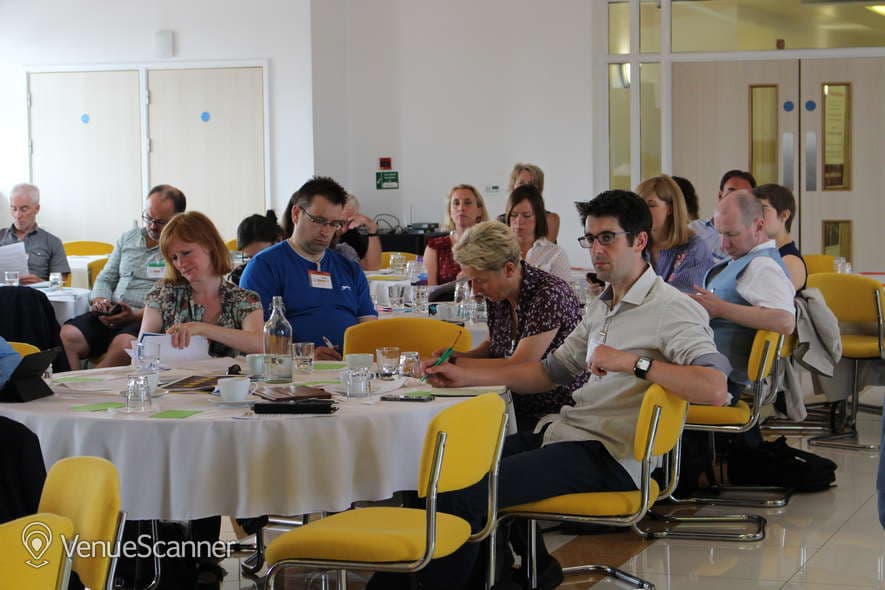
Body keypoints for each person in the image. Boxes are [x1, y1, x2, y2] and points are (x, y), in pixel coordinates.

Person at [373, 190, 730, 590]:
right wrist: (466, 374)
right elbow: (546, 373)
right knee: (442, 473)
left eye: (607, 238)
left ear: (640, 240)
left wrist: (634, 363)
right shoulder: (605, 304)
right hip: (566, 433)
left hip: (611, 454)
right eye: (590, 239)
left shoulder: (671, 308)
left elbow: (715, 388)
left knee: (467, 493)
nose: (596, 249)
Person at [445, 221, 586, 432]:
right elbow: (493, 346)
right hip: (508, 404)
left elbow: (520, 365)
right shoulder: (498, 293)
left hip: (553, 415)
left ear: (509, 269)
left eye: (480, 281)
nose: (474, 291)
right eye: (470, 281)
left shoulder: (549, 294)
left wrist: (456, 364)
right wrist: (456, 356)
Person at [240, 177, 376, 359]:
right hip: (291, 374)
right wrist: (305, 355)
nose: (326, 231)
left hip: (349, 370)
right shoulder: (264, 267)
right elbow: (255, 342)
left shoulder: (349, 268)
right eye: (318, 220)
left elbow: (368, 330)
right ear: (296, 214)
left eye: (334, 224)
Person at [60, 185, 186, 369]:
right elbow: (106, 277)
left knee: (126, 346)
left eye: (160, 222)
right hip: (111, 312)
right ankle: (71, 389)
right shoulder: (128, 238)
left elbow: (176, 298)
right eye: (148, 218)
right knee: (67, 335)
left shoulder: (181, 248)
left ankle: (89, 390)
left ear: (178, 219)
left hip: (146, 318)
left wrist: (134, 315)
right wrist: (100, 300)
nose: (151, 226)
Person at [690, 190, 795, 392]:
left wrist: (721, 309)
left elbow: (785, 321)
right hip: (710, 370)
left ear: (758, 226)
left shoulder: (762, 266)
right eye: (720, 233)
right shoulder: (744, 259)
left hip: (722, 380)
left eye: (731, 234)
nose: (723, 244)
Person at [139, 211, 264, 358]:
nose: (180, 264)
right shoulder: (163, 293)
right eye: (174, 257)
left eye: (186, 253)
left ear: (209, 245)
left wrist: (201, 329)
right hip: (173, 379)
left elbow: (260, 345)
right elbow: (142, 351)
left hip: (229, 380)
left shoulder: (244, 299)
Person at [635, 174, 713, 294]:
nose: (642, 211)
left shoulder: (695, 249)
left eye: (651, 205)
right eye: (639, 205)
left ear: (670, 209)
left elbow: (678, 301)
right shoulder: (633, 244)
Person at [0, 183, 69, 285]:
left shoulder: (52, 242)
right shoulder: (1, 237)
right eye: (14, 208)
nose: (17, 215)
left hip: (37, 297)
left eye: (24, 209)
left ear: (37, 209)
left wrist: (41, 283)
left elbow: (59, 283)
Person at [423, 184, 488, 286]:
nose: (461, 208)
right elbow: (430, 293)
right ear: (450, 211)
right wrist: (456, 284)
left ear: (479, 210)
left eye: (467, 203)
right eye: (456, 203)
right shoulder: (435, 247)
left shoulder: (490, 243)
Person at [505, 185, 571, 283]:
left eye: (526, 215)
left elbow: (565, 294)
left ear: (538, 217)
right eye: (514, 215)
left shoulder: (555, 253)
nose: (518, 221)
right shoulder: (499, 250)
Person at [689, 169, 756, 265]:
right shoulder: (693, 230)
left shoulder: (752, 240)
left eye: (742, 196)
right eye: (731, 192)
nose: (735, 200)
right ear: (720, 195)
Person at [753, 184, 807, 291]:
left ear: (784, 215)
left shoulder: (791, 262)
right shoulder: (760, 253)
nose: (755, 216)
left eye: (762, 209)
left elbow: (769, 305)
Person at [228, 210, 284, 285]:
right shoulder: (237, 278)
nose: (257, 265)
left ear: (278, 240)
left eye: (262, 257)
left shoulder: (294, 270)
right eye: (251, 259)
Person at [508, 163, 560, 243]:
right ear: (513, 186)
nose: (526, 187)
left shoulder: (550, 219)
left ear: (539, 188)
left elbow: (545, 252)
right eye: (521, 183)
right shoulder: (500, 221)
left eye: (531, 184)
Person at [337, 194, 382, 271]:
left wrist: (372, 229)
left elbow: (371, 267)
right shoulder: (320, 234)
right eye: (340, 223)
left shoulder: (350, 233)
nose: (344, 229)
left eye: (349, 223)